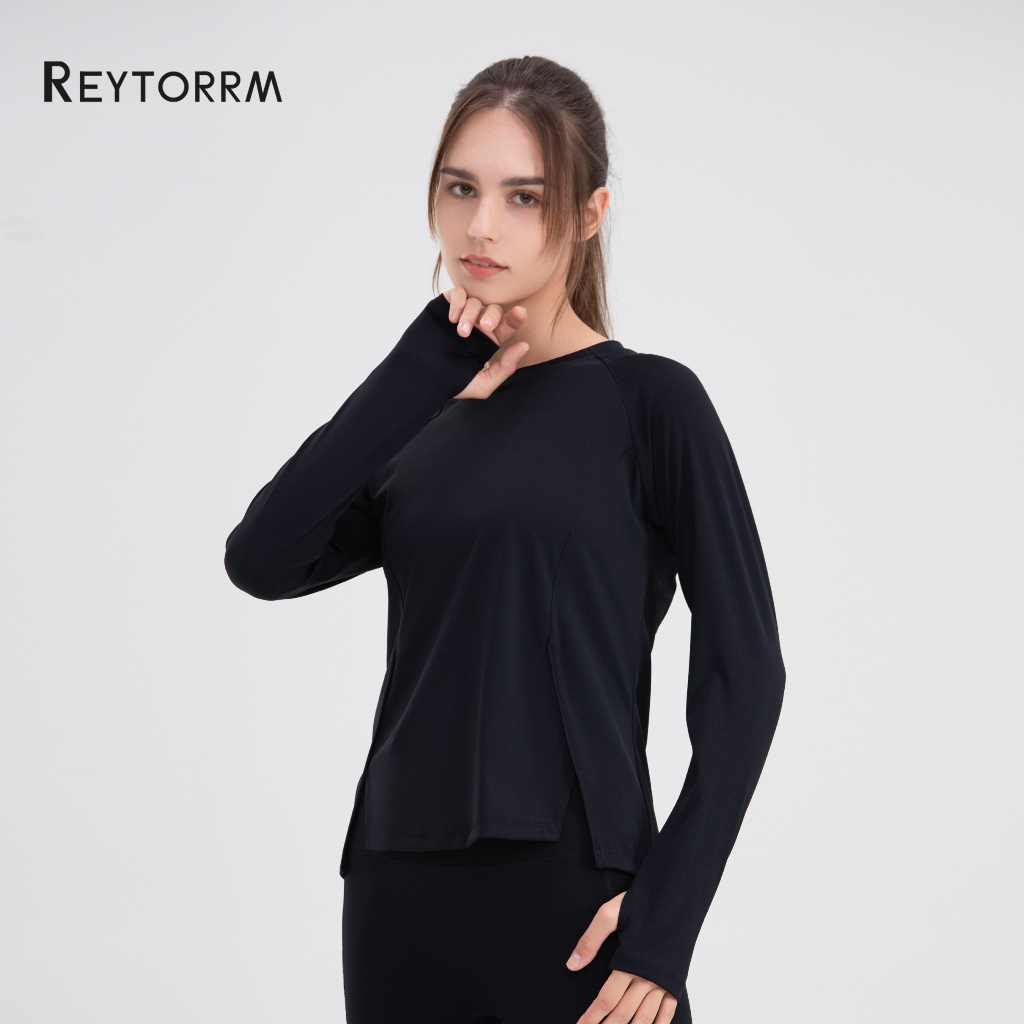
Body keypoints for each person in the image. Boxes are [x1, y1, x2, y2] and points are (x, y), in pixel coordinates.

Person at [224, 55, 785, 1024]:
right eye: (461, 189)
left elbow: (748, 675)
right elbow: (262, 559)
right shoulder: (422, 418)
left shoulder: (650, 403)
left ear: (588, 213)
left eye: (524, 196)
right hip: (397, 898)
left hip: (574, 906)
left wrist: (665, 922)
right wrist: (423, 367)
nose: (481, 226)